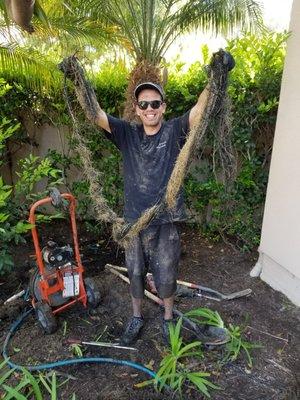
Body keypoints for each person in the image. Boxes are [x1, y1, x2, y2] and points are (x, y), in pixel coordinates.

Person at [90, 80, 215, 345]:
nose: (150, 108)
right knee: (134, 272)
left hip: (165, 221)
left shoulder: (174, 131)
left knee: (167, 273)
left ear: (163, 107)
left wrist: (215, 78)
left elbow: (198, 111)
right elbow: (96, 115)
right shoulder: (127, 133)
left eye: (155, 103)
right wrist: (77, 79)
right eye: (144, 104)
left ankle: (168, 318)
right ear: (137, 109)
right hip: (134, 223)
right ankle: (136, 317)